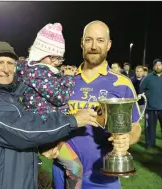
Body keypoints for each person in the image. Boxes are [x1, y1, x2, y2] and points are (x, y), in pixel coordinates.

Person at [0, 41, 100, 189]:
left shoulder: (10, 94)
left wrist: (42, 144)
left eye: (10, 63)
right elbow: (22, 131)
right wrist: (73, 120)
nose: (6, 69)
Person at [52, 20, 142, 189]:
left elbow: (135, 126)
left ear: (108, 45)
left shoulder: (122, 84)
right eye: (89, 40)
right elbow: (48, 118)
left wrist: (128, 139)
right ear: (82, 43)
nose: (94, 46)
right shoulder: (64, 81)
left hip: (104, 175)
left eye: (100, 40)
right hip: (65, 169)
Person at [17, 23, 83, 189]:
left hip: (45, 128)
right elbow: (60, 97)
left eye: (59, 58)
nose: (56, 63)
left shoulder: (32, 70)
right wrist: (68, 77)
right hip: (46, 130)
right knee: (76, 168)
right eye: (53, 58)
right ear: (41, 53)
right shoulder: (39, 72)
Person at [140, 59, 162, 151]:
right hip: (150, 108)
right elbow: (141, 89)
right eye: (156, 65)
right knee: (149, 128)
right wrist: (147, 99)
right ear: (154, 67)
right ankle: (150, 144)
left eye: (160, 65)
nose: (158, 67)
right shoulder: (148, 78)